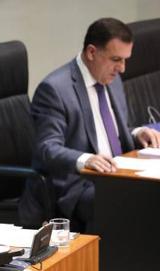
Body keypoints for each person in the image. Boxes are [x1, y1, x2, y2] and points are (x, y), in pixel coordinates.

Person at [23, 17, 160, 230]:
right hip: (78, 184)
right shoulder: (55, 90)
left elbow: (110, 130)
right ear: (92, 52)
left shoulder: (111, 79)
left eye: (125, 60)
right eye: (116, 59)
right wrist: (87, 160)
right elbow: (46, 148)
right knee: (134, 203)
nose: (122, 68)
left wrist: (137, 133)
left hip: (118, 173)